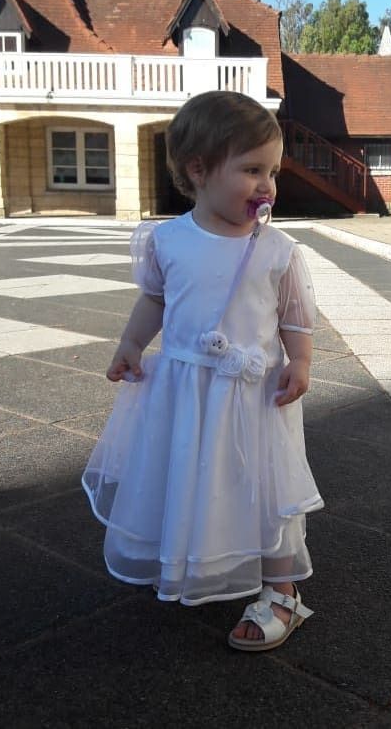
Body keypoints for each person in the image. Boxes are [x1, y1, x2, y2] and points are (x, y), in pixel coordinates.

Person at [82, 90, 323, 652]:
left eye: (273, 172)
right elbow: (155, 300)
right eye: (252, 170)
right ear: (198, 170)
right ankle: (192, 559)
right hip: (184, 390)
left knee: (266, 488)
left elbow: (294, 315)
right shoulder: (168, 239)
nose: (267, 186)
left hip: (253, 395)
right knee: (188, 477)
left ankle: (282, 589)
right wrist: (130, 345)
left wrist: (301, 360)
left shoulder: (277, 249)